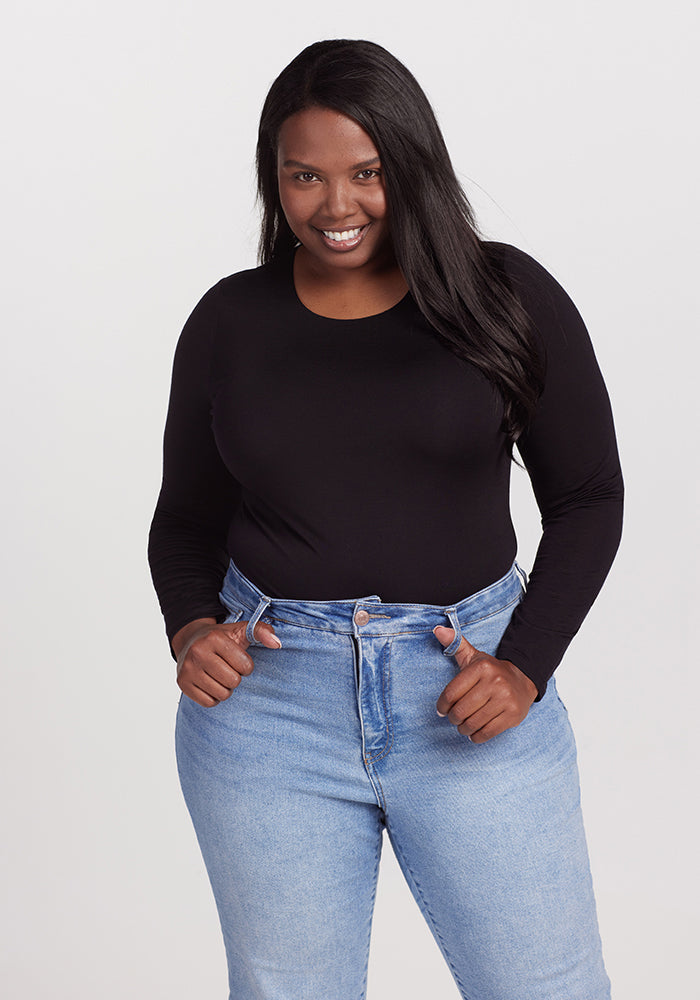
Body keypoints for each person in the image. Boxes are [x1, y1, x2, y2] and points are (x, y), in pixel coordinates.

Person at [148, 38, 623, 1000]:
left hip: (471, 695)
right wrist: (192, 626)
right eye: (304, 176)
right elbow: (184, 521)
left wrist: (526, 665)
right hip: (270, 713)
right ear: (273, 181)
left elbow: (589, 499)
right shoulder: (229, 323)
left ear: (411, 166)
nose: (337, 206)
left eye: (367, 174)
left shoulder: (505, 295)